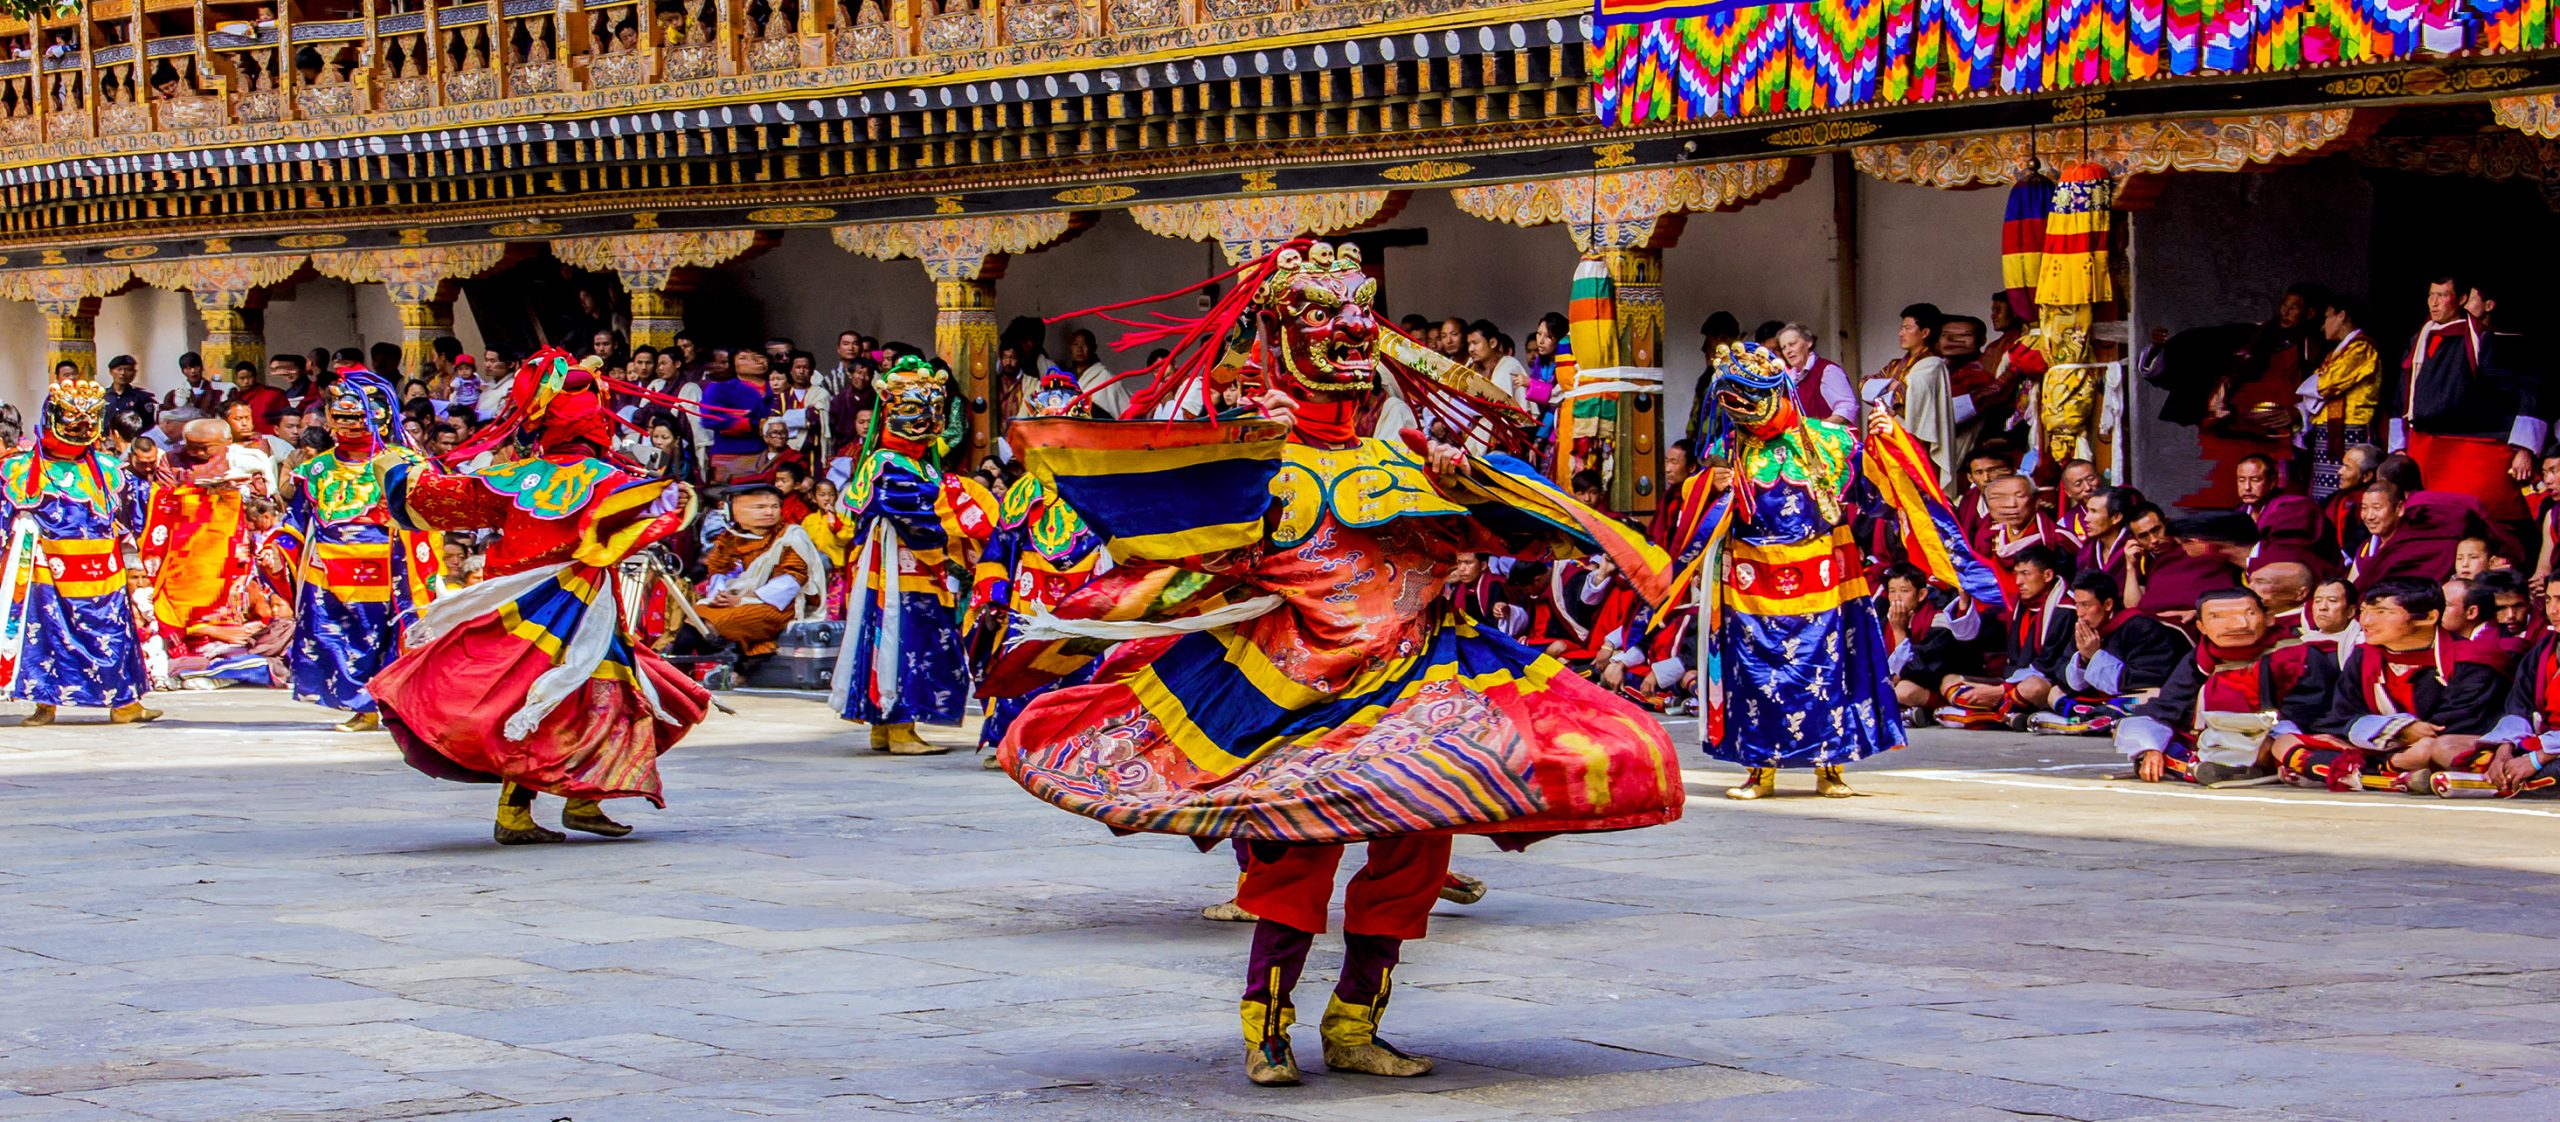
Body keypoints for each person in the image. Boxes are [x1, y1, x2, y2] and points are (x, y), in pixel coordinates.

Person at [992, 240, 1684, 1087]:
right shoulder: (1256, 466)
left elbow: (1503, 539)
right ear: (1281, 335)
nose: (1351, 328)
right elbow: (1171, 575)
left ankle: (1356, 1023)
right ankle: (1267, 1030)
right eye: (1322, 314)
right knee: (1298, 857)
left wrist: (1469, 488)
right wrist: (1062, 631)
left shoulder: (1404, 458)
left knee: (1417, 847)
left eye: (1358, 310)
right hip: (1296, 688)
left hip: (1416, 683)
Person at [368, 351, 715, 844]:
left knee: (547, 697)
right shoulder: (610, 479)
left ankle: (581, 798)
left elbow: (442, 499)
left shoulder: (511, 477)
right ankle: (529, 808)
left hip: (524, 607)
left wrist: (404, 468)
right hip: (572, 606)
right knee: (583, 697)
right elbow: (650, 513)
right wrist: (671, 497)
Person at [1695, 342, 1999, 797]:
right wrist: (1710, 488)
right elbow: (1701, 507)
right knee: (1754, 678)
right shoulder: (1729, 449)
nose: (1748, 413)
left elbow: (1875, 496)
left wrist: (1886, 440)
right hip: (1750, 585)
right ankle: (1760, 770)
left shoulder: (1830, 440)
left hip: (1822, 582)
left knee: (1827, 673)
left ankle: (1830, 768)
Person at [825, 355, 994, 756]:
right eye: (914, 410)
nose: (927, 421)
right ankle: (899, 727)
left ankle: (888, 728)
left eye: (934, 410)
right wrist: (953, 535)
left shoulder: (915, 465)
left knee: (906, 642)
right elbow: (914, 513)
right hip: (902, 571)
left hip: (908, 570)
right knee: (905, 642)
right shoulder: (889, 463)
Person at [271, 371, 441, 733]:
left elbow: (427, 517)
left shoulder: (405, 463)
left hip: (391, 570)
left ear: (378, 416)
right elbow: (296, 521)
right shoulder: (316, 468)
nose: (346, 425)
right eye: (340, 416)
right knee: (334, 637)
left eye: (355, 417)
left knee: (392, 639)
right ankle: (360, 707)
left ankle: (400, 708)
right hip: (329, 573)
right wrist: (277, 549)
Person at [0, 378, 158, 727]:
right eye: (72, 421)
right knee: (44, 637)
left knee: (114, 634)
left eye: (89, 421)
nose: (81, 428)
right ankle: (45, 704)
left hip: (104, 570)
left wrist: (135, 563)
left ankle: (126, 704)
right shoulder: (19, 469)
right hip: (47, 570)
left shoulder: (109, 469)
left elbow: (130, 518)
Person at [2285, 576, 2511, 792]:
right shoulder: (2365, 657)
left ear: (2428, 617)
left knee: (2437, 749)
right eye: (2364, 611)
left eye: (2382, 612)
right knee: (2286, 741)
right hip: (2386, 748)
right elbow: (2341, 717)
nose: (2366, 621)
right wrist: (2400, 731)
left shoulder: (2472, 660)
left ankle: (2376, 772)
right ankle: (2394, 769)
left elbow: (2452, 727)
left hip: (2438, 748)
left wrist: (2388, 736)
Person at [2115, 587, 2340, 785]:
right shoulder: (2200, 660)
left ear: (2269, 618)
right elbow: (2167, 707)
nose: (2237, 625)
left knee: (2285, 747)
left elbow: (2310, 714)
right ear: (2201, 627)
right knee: (2143, 732)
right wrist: (2151, 747)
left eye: (2249, 614)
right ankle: (2195, 764)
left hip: (2267, 739)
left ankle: (2212, 767)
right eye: (2217, 617)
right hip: (2208, 740)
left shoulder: (2296, 656)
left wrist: (2265, 741)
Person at [2391, 276, 2534, 523]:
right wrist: (2399, 445)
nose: (2433, 303)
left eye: (2442, 295)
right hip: (2423, 449)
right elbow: (2401, 393)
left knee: (2468, 521)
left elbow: (2524, 390)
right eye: (2430, 295)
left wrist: (2524, 447)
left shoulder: (2483, 340)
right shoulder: (2418, 340)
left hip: (2469, 450)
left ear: (2461, 299)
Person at [136, 417, 268, 653]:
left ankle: (227, 631)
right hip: (187, 541)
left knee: (229, 585)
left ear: (226, 442)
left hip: (228, 536)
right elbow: (162, 496)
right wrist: (199, 493)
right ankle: (193, 631)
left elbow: (263, 493)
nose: (196, 452)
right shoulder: (171, 459)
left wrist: (240, 489)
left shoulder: (242, 457)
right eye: (191, 446)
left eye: (204, 447)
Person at [2031, 570, 2193, 735]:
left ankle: (2083, 719)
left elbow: (2146, 679)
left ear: (2108, 604)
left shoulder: (2141, 628)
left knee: (2153, 696)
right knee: (2054, 692)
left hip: (2129, 696)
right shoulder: (2084, 627)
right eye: (2077, 604)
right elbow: (2063, 672)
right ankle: (2095, 718)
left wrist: (2095, 656)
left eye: (2086, 605)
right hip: (2100, 698)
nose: (2080, 613)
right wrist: (2084, 659)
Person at [680, 484, 823, 662]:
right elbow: (718, 570)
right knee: (694, 618)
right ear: (735, 511)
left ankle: (729, 669)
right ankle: (678, 675)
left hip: (776, 606)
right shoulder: (730, 537)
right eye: (760, 507)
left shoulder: (790, 536)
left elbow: (792, 579)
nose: (769, 512)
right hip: (736, 599)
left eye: (774, 507)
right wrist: (720, 595)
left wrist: (743, 600)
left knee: (715, 624)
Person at [1866, 303, 1956, 483]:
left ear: (1925, 332)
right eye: (1901, 328)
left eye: (1907, 328)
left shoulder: (1932, 365)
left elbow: (1905, 396)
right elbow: (1865, 384)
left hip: (1916, 441)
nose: (1901, 333)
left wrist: (1888, 389)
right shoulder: (1895, 365)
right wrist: (1891, 387)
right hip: (1890, 437)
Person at [2304, 294, 2380, 501]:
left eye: (2328, 317)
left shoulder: (2361, 348)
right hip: (2328, 431)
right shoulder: (2336, 353)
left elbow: (2325, 383)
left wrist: (2310, 387)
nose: (2323, 325)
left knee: (2349, 488)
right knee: (2324, 492)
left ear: (2342, 316)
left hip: (2350, 431)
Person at [698, 346, 768, 482]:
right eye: (743, 358)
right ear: (732, 363)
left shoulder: (780, 388)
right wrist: (751, 423)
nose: (755, 361)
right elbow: (710, 418)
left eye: (759, 357)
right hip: (732, 454)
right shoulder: (720, 388)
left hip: (772, 454)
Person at [1772, 321, 1852, 425]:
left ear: (1809, 342)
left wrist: (1817, 428)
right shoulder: (1787, 381)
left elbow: (1847, 409)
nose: (1788, 351)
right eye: (1784, 347)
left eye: (1792, 344)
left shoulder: (1827, 370)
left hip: (1829, 438)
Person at [227, 360, 292, 435]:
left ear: (255, 376)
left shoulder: (273, 394)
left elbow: (288, 418)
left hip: (270, 437)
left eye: (249, 377)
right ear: (236, 379)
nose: (246, 381)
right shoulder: (235, 398)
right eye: (242, 378)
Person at [162, 351, 223, 417]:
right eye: (188, 368)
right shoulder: (173, 396)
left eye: (196, 366)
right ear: (182, 371)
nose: (193, 371)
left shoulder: (217, 391)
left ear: (202, 367)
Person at [102, 354, 156, 427]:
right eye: (119, 369)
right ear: (111, 372)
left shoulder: (142, 398)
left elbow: (149, 426)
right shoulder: (101, 396)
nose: (123, 373)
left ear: (134, 373)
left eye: (128, 370)